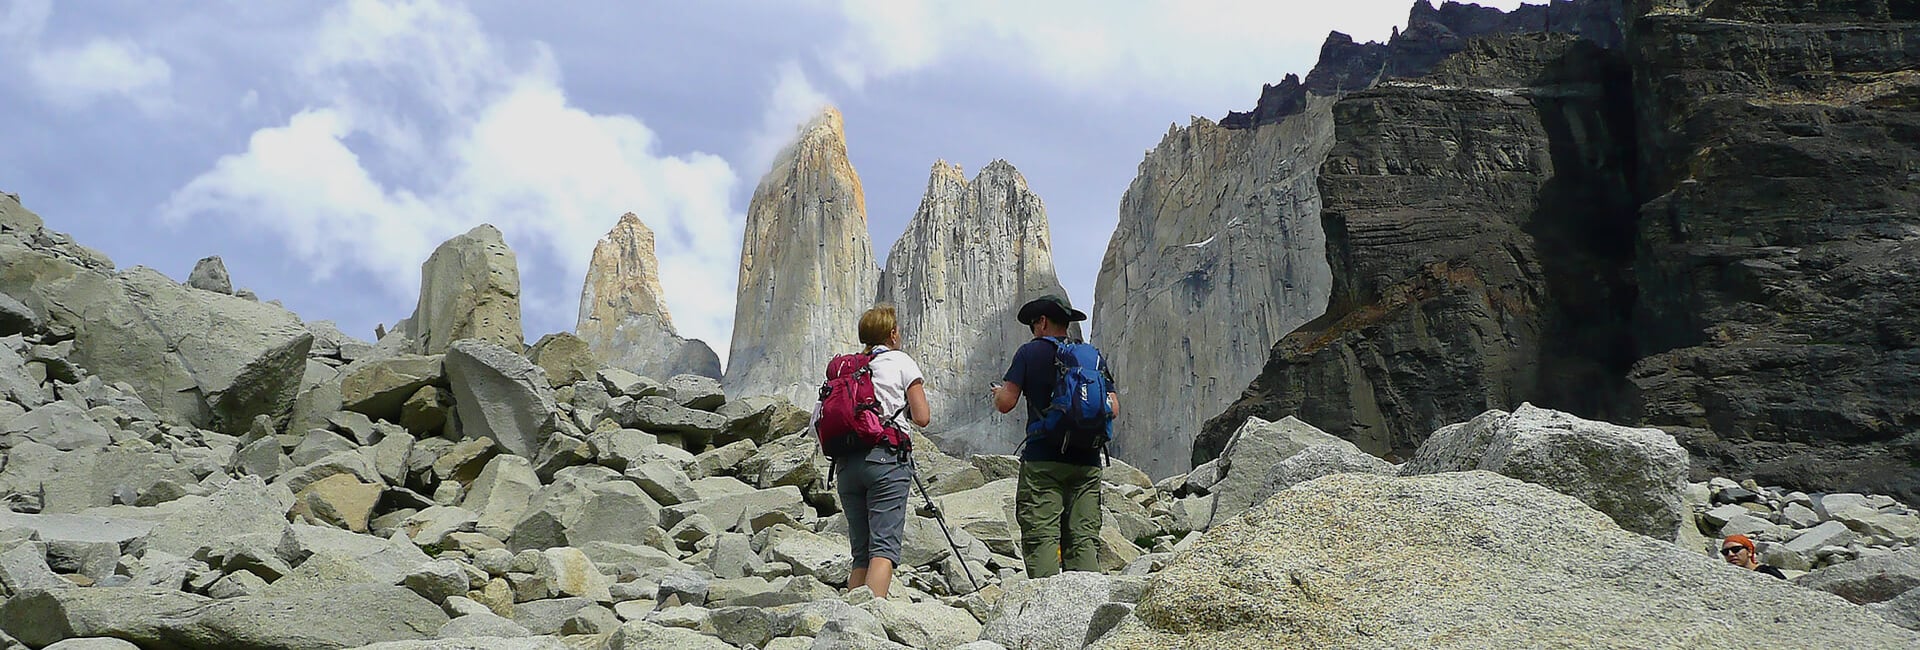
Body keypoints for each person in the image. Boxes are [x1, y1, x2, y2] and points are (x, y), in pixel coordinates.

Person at [991, 294, 1117, 578]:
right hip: (1086, 460)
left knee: (1042, 537)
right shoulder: (1090, 358)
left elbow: (1006, 403)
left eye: (1034, 324)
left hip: (1043, 460)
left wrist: (999, 392)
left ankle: (1047, 612)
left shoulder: (1029, 353)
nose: (1033, 330)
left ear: (1043, 322)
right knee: (1083, 538)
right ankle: (1087, 612)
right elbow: (1114, 407)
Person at [820, 305, 930, 599]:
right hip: (886, 461)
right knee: (883, 549)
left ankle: (848, 621)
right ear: (892, 334)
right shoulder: (901, 361)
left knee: (861, 554)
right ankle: (868, 622)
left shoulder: (848, 368)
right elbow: (922, 417)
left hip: (845, 464)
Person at [1721, 534, 1787, 579]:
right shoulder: (1727, 576)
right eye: (1725, 552)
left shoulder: (1768, 571)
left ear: (1749, 552)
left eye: (1736, 549)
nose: (1730, 554)